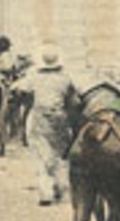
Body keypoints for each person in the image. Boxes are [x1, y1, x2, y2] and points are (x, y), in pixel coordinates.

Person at [18, 46, 81, 206]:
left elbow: (21, 90)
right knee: (60, 153)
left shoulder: (34, 77)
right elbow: (73, 100)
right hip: (60, 117)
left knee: (41, 154)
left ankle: (46, 193)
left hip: (39, 118)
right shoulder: (65, 78)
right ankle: (61, 189)